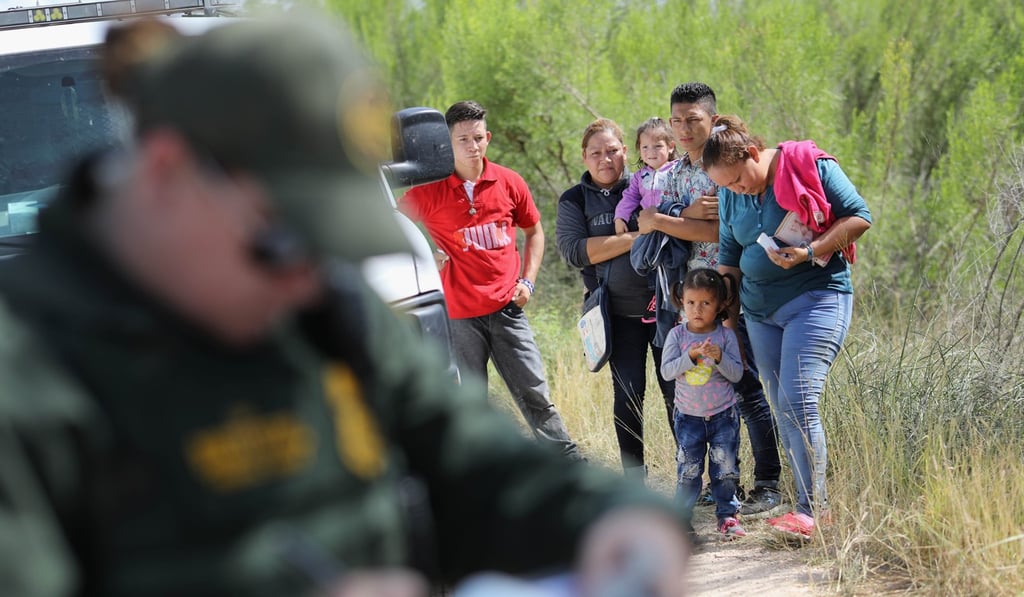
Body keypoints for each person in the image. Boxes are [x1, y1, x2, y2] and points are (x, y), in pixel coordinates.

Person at [0, 17, 691, 596]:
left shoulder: (327, 310)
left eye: (331, 244)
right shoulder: (29, 373)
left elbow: (472, 456)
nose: (308, 277)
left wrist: (615, 516)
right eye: (286, 238)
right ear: (167, 174)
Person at [702, 114, 872, 540]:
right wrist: (722, 308)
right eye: (728, 186)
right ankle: (807, 509)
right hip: (760, 313)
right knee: (782, 406)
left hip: (816, 298)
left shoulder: (808, 165)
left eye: (740, 179)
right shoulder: (730, 195)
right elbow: (728, 252)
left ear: (755, 154)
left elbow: (859, 217)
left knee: (799, 400)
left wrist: (810, 250)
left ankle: (813, 511)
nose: (737, 189)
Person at [397, 100, 580, 460]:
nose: (472, 146)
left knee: (535, 393)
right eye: (462, 139)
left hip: (507, 308)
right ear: (448, 143)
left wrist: (527, 282)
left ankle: (570, 465)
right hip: (459, 316)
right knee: (470, 402)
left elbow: (535, 232)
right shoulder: (429, 191)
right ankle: (479, 479)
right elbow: (387, 225)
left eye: (478, 137)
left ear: (488, 138)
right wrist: (422, 253)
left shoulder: (509, 182)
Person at [638, 82, 783, 519]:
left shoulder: (726, 165)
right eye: (676, 120)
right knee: (696, 384)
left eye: (693, 119)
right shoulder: (676, 171)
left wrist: (662, 220)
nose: (683, 128)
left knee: (745, 384)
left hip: (731, 292)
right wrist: (674, 218)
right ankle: (719, 483)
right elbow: (660, 225)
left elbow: (722, 233)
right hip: (690, 298)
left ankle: (768, 482)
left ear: (713, 119)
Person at [556, 118, 717, 478]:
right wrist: (641, 233)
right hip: (616, 317)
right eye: (596, 153)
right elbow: (576, 252)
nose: (605, 159)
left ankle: (693, 476)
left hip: (667, 310)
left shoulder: (651, 181)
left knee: (679, 394)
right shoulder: (575, 199)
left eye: (612, 150)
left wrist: (657, 221)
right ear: (584, 157)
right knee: (628, 397)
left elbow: (681, 222)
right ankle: (634, 480)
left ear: (626, 151)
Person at [660, 269, 746, 540]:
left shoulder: (725, 336)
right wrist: (691, 356)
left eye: (706, 303)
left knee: (725, 470)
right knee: (688, 470)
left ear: (719, 305)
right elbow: (667, 371)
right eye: (691, 303)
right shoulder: (677, 336)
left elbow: (737, 374)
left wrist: (720, 358)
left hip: (723, 416)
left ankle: (728, 517)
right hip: (688, 417)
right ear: (681, 302)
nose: (697, 310)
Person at [613, 117, 678, 237]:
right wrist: (620, 217)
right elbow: (630, 197)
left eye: (657, 146)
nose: (651, 151)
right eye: (645, 147)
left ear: (670, 147)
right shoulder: (639, 176)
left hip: (675, 226)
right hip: (649, 230)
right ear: (639, 149)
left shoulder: (679, 170)